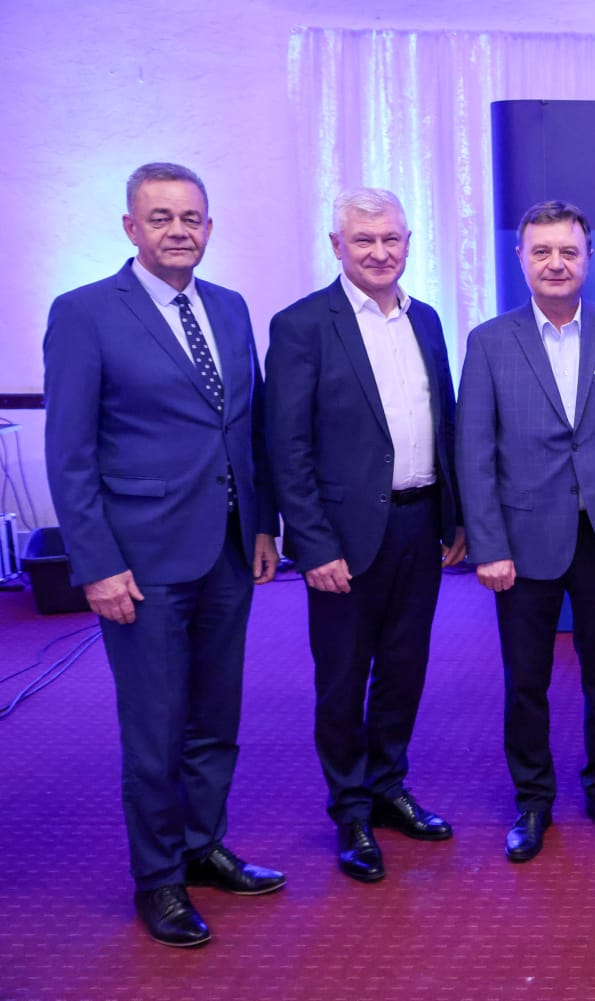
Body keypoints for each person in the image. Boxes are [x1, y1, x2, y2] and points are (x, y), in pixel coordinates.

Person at [43, 162, 284, 947]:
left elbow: (247, 427)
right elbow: (70, 454)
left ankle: (202, 845)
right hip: (140, 561)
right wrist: (96, 563)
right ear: (130, 227)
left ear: (208, 227)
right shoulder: (84, 313)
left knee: (217, 716)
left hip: (227, 549)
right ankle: (159, 878)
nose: (179, 230)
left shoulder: (230, 306)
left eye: (191, 217)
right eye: (161, 217)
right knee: (156, 728)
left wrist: (262, 525)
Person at [266, 187, 465, 884]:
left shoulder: (427, 319)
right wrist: (313, 545)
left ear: (409, 242)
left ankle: (387, 785)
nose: (380, 252)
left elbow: (446, 419)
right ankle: (350, 809)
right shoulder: (302, 325)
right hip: (343, 539)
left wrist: (456, 516)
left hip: (420, 523)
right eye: (364, 240)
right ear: (337, 246)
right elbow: (287, 445)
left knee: (404, 667)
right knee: (343, 677)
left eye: (391, 239)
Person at [456, 201, 595, 862]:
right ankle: (533, 800)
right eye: (542, 251)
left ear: (589, 257)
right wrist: (488, 545)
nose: (556, 263)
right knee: (526, 682)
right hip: (522, 542)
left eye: (568, 251)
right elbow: (474, 451)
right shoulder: (489, 341)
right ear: (522, 258)